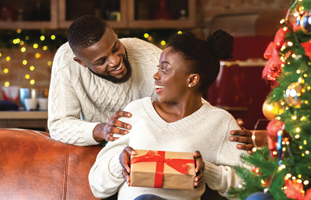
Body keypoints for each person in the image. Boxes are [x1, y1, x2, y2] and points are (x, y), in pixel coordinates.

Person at [48, 15, 264, 150]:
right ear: (81, 62)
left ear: (115, 34)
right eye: (102, 61)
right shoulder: (67, 61)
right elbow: (58, 124)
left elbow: (188, 103)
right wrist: (102, 130)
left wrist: (227, 131)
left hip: (145, 151)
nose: (115, 61)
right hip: (99, 150)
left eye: (115, 47)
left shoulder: (151, 59)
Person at [89, 31, 247, 200]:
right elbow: (97, 186)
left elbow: (247, 184)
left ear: (192, 80)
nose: (156, 76)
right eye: (158, 69)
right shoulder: (135, 112)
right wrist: (119, 163)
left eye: (164, 70)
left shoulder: (220, 123)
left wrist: (207, 171)